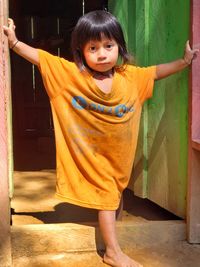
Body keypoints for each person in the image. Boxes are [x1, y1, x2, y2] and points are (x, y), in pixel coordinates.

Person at [3, 10, 199, 267]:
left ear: (119, 46)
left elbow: (155, 72)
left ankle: (111, 233)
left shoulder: (130, 77)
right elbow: (43, 60)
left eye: (109, 45)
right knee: (107, 195)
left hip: (118, 158)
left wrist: (184, 62)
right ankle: (113, 252)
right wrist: (15, 43)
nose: (102, 53)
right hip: (90, 156)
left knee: (113, 195)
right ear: (80, 52)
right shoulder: (73, 76)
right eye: (92, 48)